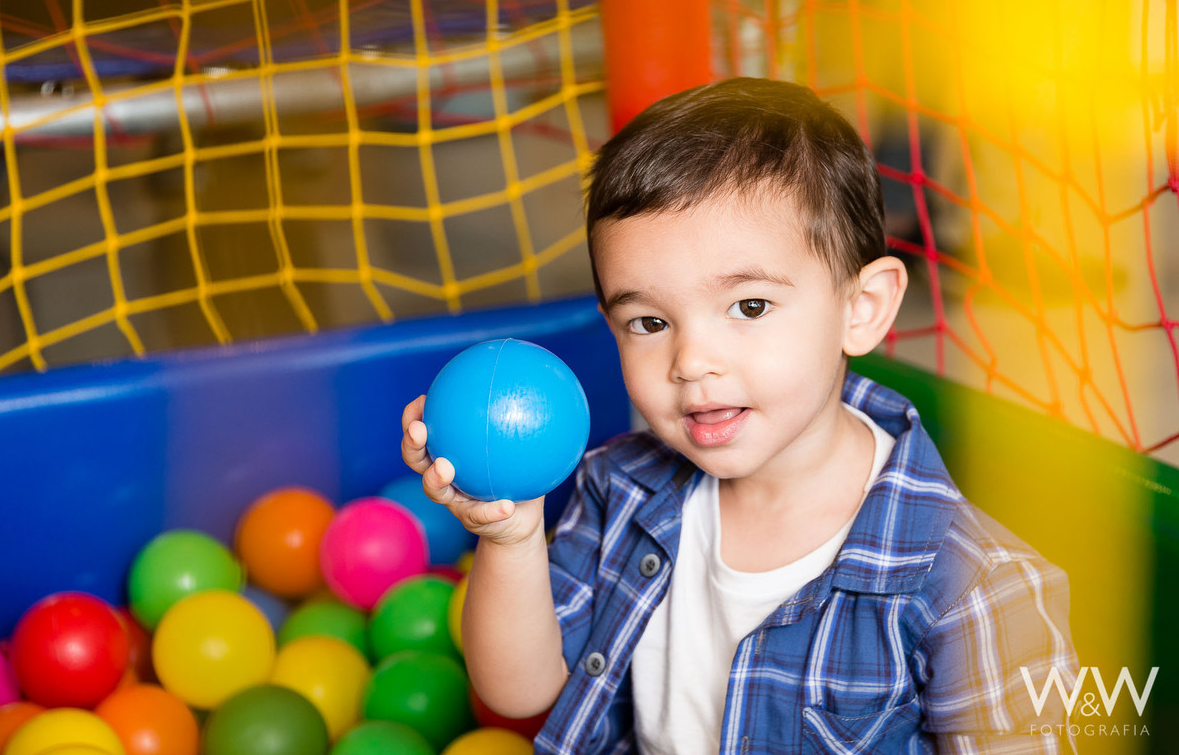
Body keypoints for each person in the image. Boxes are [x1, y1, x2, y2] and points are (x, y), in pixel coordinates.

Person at [401, 78, 1079, 754]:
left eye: (749, 306)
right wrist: (511, 538)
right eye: (649, 322)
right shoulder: (619, 486)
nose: (691, 361)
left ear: (862, 308)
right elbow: (520, 692)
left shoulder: (977, 590)